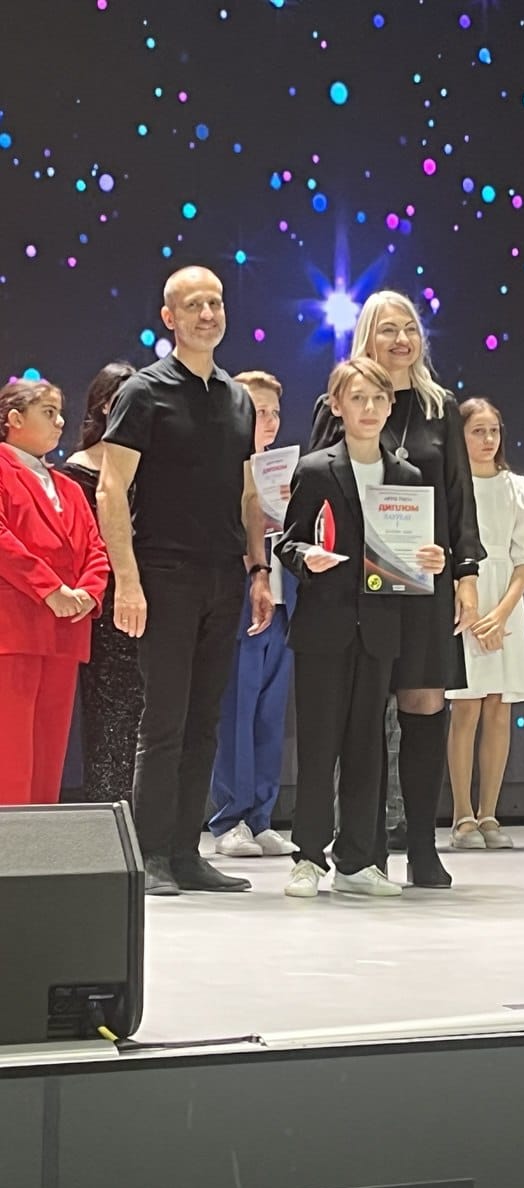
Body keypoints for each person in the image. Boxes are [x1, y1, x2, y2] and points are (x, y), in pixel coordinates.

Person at [97, 265, 274, 896]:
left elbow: (248, 495)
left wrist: (259, 569)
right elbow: (111, 488)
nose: (208, 314)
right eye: (194, 305)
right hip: (164, 573)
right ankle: (150, 855)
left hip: (224, 576)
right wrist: (127, 580)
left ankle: (185, 853)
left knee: (205, 721)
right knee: (166, 720)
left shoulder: (237, 398)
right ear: (169, 318)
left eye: (216, 303)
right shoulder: (143, 392)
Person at [309, 290, 483, 888]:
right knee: (363, 711)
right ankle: (366, 848)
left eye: (409, 328)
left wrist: (465, 573)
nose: (401, 339)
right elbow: (317, 488)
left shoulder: (441, 407)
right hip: (360, 591)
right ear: (367, 337)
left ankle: (422, 846)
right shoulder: (337, 403)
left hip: (426, 582)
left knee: (425, 704)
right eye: (387, 329)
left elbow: (458, 496)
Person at [277, 356, 445, 898]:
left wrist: (432, 559)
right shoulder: (315, 469)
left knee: (367, 747)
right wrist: (306, 558)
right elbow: (287, 542)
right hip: (323, 629)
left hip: (379, 630)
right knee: (318, 745)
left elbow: (417, 553)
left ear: (390, 406)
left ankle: (356, 860)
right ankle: (308, 857)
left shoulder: (407, 478)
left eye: (377, 399)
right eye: (357, 399)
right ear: (337, 406)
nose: (368, 408)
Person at [0, 379, 109, 805]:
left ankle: (40, 841)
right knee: (12, 752)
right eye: (48, 412)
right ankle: (11, 841)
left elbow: (96, 549)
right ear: (14, 419)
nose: (60, 421)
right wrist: (50, 589)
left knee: (49, 753)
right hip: (16, 629)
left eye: (60, 412)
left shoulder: (68, 487)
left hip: (65, 631)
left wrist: (88, 593)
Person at [446, 397, 524, 849]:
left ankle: (489, 813)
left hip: (505, 601)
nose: (488, 440)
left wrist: (501, 612)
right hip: (462, 599)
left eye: (494, 431)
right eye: (477, 431)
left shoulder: (519, 489)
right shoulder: (451, 486)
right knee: (465, 705)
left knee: (498, 707)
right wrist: (466, 604)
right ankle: (462, 815)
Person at [209, 370, 298, 856]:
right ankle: (229, 818)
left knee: (270, 714)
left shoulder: (289, 471)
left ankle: (262, 816)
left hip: (284, 603)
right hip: (241, 599)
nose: (268, 420)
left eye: (274, 412)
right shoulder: (222, 466)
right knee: (236, 712)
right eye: (258, 410)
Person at [64, 361, 141, 804]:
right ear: (105, 405)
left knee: (150, 717)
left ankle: (147, 822)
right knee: (109, 713)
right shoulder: (78, 471)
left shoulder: (150, 464)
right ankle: (108, 815)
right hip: (106, 603)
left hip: (153, 597)